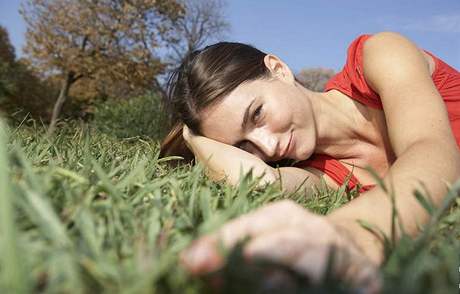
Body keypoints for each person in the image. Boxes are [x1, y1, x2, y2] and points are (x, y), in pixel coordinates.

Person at [160, 31, 460, 292]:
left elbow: (432, 148)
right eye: (244, 145)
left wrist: (355, 233)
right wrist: (193, 138)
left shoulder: (379, 56)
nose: (269, 146)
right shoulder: (322, 174)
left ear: (277, 69)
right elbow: (260, 180)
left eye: (257, 114)